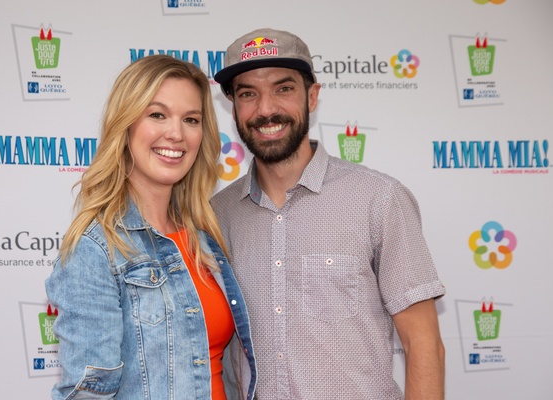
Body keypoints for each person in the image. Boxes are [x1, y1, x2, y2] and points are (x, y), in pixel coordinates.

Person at [211, 28, 446, 399]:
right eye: (248, 94)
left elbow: (423, 346)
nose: (266, 109)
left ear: (313, 96)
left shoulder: (379, 199)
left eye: (283, 88)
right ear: (233, 105)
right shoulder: (216, 217)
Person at [46, 55, 256, 400]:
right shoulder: (96, 250)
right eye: (157, 114)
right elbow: (87, 394)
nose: (175, 133)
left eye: (191, 119)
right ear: (125, 124)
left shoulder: (205, 237)